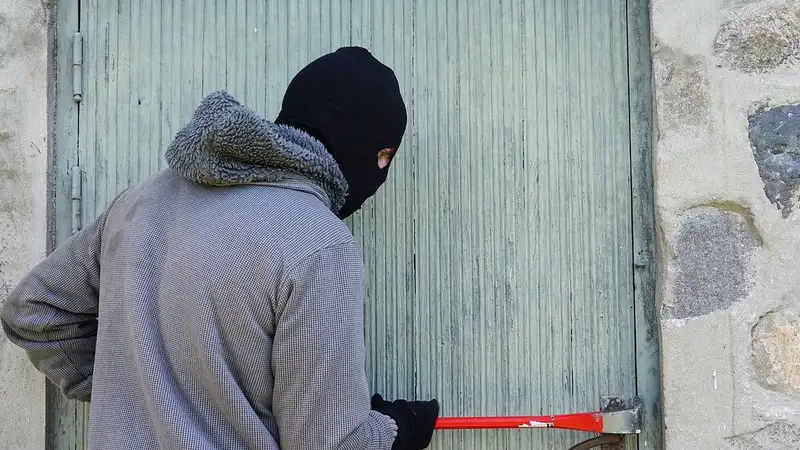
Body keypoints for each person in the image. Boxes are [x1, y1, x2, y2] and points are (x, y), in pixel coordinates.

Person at [1, 46, 439, 450]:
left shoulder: (140, 203)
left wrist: (138, 390)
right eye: (384, 155)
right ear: (360, 144)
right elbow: (329, 443)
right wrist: (397, 428)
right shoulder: (319, 244)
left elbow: (34, 312)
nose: (381, 171)